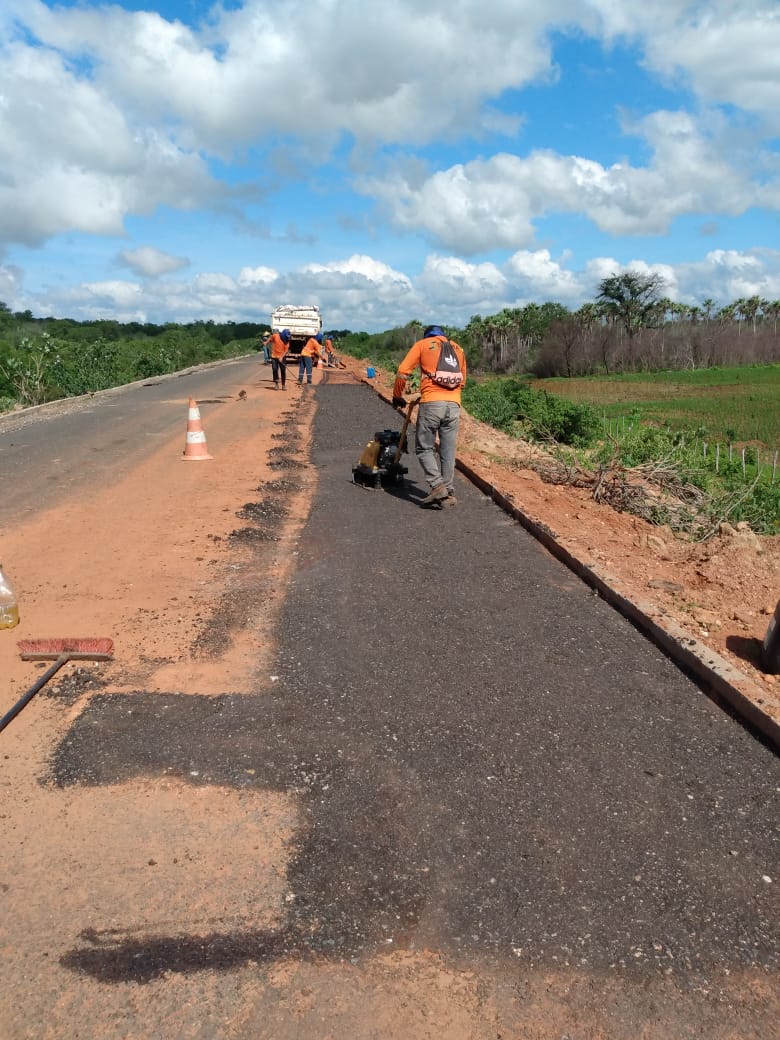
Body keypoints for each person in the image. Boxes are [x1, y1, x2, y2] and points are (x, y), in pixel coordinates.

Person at [392, 324, 467, 508]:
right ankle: (448, 492)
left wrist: (397, 395)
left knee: (424, 448)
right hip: (454, 405)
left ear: (428, 336)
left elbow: (403, 371)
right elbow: (462, 381)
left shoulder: (423, 345)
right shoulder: (457, 348)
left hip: (432, 403)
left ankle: (437, 486)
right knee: (448, 450)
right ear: (443, 336)